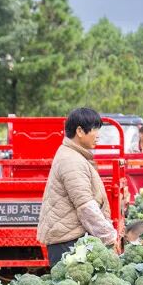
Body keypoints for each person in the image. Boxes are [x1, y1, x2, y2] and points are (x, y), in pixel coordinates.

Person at [37, 107, 120, 266]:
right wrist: (109, 236)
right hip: (67, 242)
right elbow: (85, 206)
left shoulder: (74, 155)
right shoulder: (71, 161)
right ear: (80, 131)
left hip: (70, 238)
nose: (98, 135)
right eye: (95, 129)